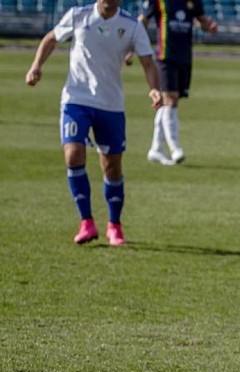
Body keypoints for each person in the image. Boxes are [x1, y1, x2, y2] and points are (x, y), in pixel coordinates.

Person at [26, 0, 162, 246]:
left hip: (110, 105)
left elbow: (148, 62)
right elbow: (51, 39)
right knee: (73, 155)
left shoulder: (131, 26)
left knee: (112, 168)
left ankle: (114, 225)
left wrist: (154, 89)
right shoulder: (79, 16)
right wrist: (36, 66)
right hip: (76, 99)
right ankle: (86, 222)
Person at [135, 0, 218, 165]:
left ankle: (156, 148)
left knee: (168, 103)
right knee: (170, 99)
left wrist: (208, 25)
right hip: (165, 56)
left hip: (185, 57)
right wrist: (131, 47)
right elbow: (142, 21)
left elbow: (200, 19)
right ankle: (175, 148)